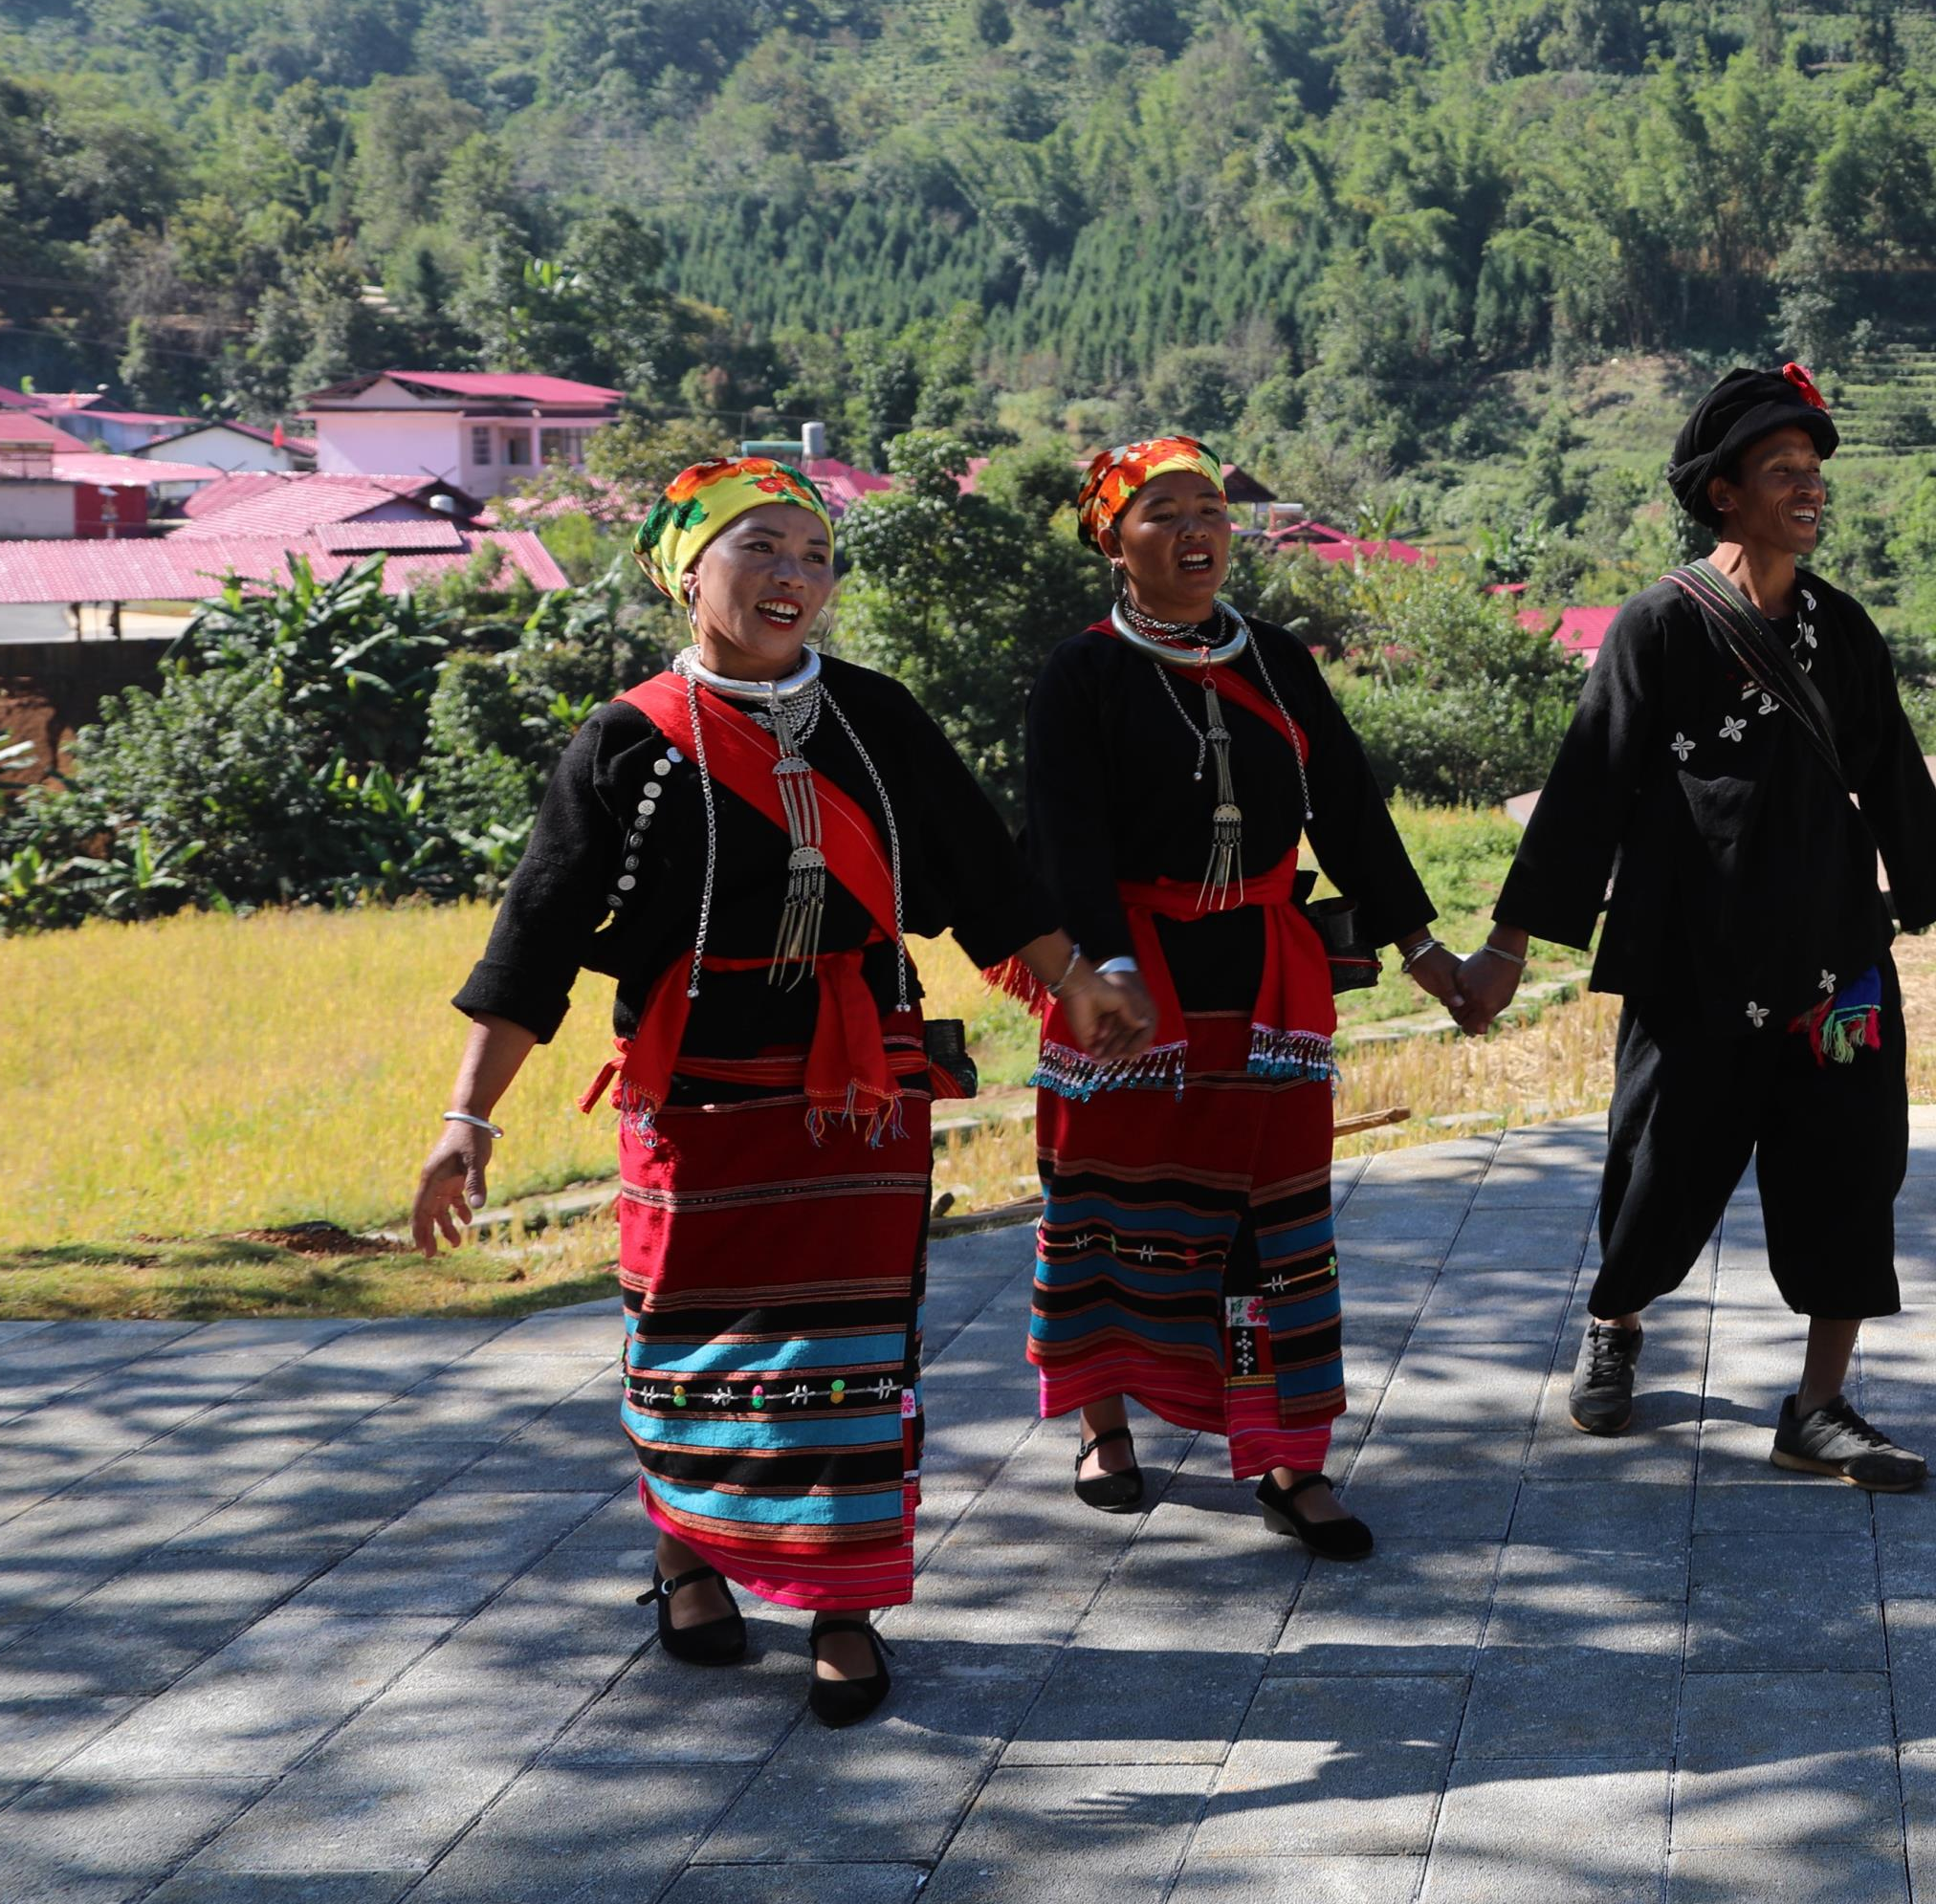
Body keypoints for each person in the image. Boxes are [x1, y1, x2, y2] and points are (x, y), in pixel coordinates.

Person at [415, 459, 1148, 1727]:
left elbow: (982, 867)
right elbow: (532, 934)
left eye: (814, 553)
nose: (794, 577)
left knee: (855, 1353)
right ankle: (687, 1555)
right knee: (689, 1342)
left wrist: (1070, 980)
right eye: (761, 547)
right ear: (687, 571)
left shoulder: (876, 713)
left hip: (857, 1088)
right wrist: (466, 1119)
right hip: (695, 1085)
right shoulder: (629, 739)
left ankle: (840, 1603)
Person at [1456, 361, 1936, 1490]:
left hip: (1835, 956)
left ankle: (1818, 1403)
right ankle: (1615, 1317)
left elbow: (1898, 783)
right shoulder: (1659, 626)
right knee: (1660, 1164)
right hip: (1691, 956)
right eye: (1781, 472)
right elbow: (1586, 789)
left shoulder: (1841, 630)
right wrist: (1509, 946)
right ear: (1722, 492)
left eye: (1814, 471)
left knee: (1852, 1173)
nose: (1809, 489)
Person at [1015, 436, 1473, 1555]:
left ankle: (1287, 1453)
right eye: (1160, 512)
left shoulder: (1274, 658)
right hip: (1129, 980)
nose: (1195, 530)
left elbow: (1349, 810)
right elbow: (1063, 839)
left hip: (1266, 981)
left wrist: (1423, 947)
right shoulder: (1080, 673)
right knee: (1105, 1198)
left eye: (1209, 508)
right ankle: (1104, 1421)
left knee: (1271, 1222)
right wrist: (1104, 970)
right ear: (1113, 543)